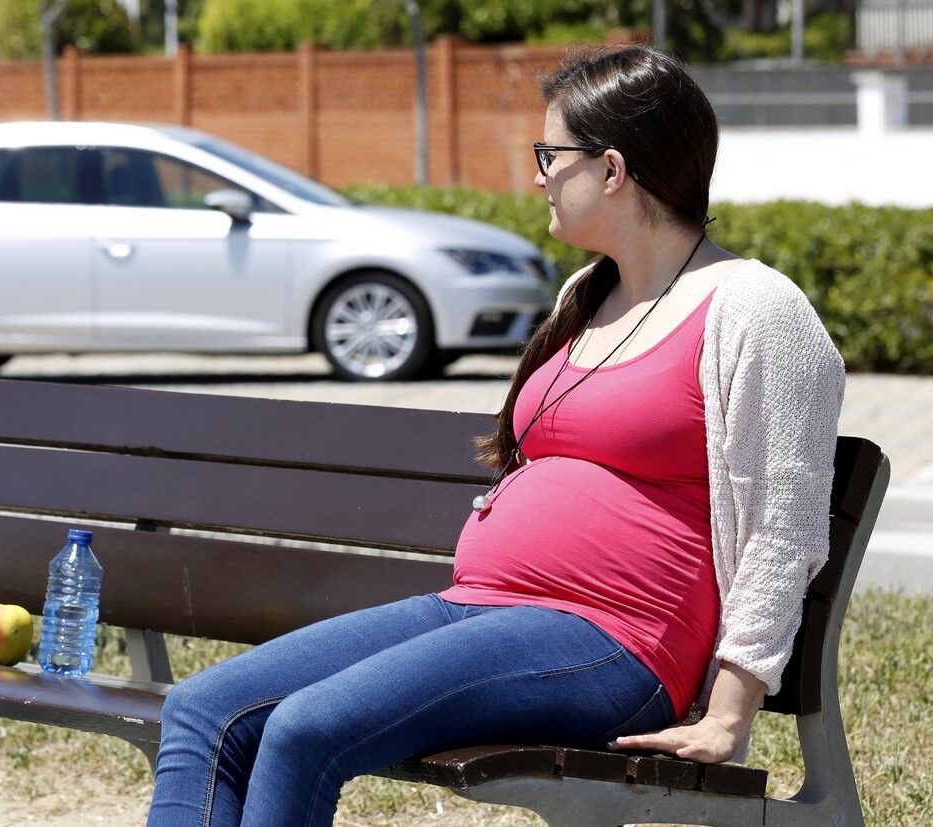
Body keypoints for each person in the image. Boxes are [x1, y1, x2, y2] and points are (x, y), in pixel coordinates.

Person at [146, 42, 845, 827]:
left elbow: (784, 527)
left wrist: (730, 709)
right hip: (478, 608)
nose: (539, 177)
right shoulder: (588, 295)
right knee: (205, 710)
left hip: (615, 640)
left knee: (305, 727)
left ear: (612, 170)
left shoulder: (756, 310)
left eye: (551, 155)